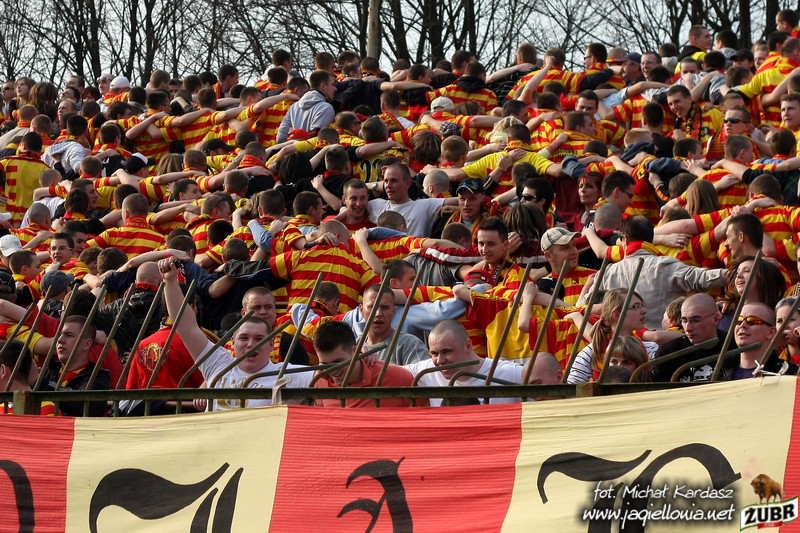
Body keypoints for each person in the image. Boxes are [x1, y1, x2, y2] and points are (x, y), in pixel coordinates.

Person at [157, 257, 314, 410]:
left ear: (271, 343)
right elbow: (186, 326)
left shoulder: (289, 375)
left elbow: (325, 379)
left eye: (259, 338)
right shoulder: (218, 363)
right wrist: (170, 281)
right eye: (244, 338)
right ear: (233, 342)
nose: (251, 344)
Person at [598, 215, 725, 329]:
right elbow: (704, 277)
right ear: (651, 238)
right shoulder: (666, 265)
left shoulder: (607, 274)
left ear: (625, 240)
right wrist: (733, 274)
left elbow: (587, 305)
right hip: (666, 342)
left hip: (622, 344)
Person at [404, 320, 523, 406]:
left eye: (446, 351)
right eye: (434, 353)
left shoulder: (509, 373)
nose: (440, 360)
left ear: (468, 346)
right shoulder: (427, 370)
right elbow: (394, 372)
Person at [312, 320, 419, 408]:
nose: (332, 371)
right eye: (325, 364)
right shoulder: (321, 381)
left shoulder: (395, 376)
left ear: (355, 351)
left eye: (337, 362)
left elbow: (422, 412)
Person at [567, 288, 657, 383]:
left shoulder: (651, 349)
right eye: (635, 306)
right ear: (616, 315)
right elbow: (573, 388)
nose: (644, 311)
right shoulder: (592, 352)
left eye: (642, 306)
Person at [651, 293, 730, 382]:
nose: (688, 328)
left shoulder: (732, 344)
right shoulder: (668, 353)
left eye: (696, 320)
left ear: (716, 318)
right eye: (684, 321)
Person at [41, 315, 110, 416]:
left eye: (69, 335)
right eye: (60, 334)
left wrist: (43, 384)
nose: (60, 340)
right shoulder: (48, 371)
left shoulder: (97, 377)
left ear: (87, 344)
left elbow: (87, 406)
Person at [367, 162, 456, 237]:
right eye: (386, 181)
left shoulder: (425, 205)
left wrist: (457, 208)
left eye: (394, 181)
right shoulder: (375, 205)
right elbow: (358, 191)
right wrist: (373, 186)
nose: (388, 186)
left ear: (408, 184)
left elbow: (460, 200)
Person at [723, 302, 798, 379]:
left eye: (751, 321)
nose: (742, 325)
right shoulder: (720, 371)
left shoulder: (790, 373)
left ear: (771, 332)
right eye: (739, 321)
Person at [359, 284, 429, 365]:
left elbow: (421, 372)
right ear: (361, 310)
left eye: (385, 308)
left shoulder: (410, 345)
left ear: (393, 311)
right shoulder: (355, 346)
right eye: (372, 307)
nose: (378, 313)